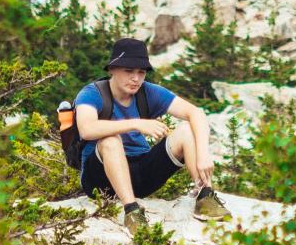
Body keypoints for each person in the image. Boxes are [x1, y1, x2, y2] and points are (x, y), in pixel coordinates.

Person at [73, 37, 229, 230]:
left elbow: (195, 113)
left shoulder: (147, 93)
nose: (136, 78)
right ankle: (132, 212)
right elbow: (87, 129)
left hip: (141, 176)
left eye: (141, 72)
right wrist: (136, 124)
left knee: (188, 129)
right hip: (100, 180)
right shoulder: (92, 93)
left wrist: (203, 155)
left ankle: (205, 195)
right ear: (112, 69)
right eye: (129, 71)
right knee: (110, 140)